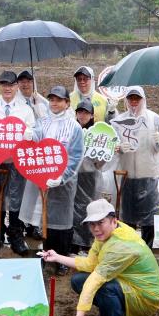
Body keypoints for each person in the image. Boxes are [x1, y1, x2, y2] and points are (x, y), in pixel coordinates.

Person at [41, 199, 159, 316]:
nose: (96, 229)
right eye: (92, 224)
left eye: (101, 223)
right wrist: (57, 257)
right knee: (78, 280)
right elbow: (90, 264)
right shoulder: (107, 234)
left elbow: (94, 281)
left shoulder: (121, 246)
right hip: (129, 285)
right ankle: (121, 314)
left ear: (114, 220)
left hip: (147, 298)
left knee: (104, 288)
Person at [19, 86, 84, 273]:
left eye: (59, 100)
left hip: (64, 183)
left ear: (67, 103)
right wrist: (31, 135)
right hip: (43, 181)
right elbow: (38, 137)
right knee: (45, 219)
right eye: (52, 100)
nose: (54, 103)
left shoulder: (74, 127)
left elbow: (76, 156)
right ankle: (47, 254)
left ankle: (62, 258)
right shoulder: (43, 121)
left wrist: (62, 177)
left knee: (62, 222)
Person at [0, 71, 35, 255]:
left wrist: (29, 135)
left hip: (16, 161)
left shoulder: (25, 110)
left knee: (16, 196)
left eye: (11, 85)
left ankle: (15, 235)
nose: (7, 88)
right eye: (3, 84)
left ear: (16, 86)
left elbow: (33, 134)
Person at [114, 86, 159, 248]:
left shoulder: (154, 119)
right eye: (131, 98)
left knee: (149, 221)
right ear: (126, 100)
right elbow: (113, 146)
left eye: (137, 98)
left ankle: (147, 253)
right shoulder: (120, 121)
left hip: (149, 177)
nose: (133, 102)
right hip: (128, 177)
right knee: (128, 221)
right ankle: (130, 253)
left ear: (143, 100)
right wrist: (119, 147)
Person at [72, 98, 104, 251]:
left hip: (90, 176)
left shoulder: (97, 134)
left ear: (92, 116)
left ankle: (87, 244)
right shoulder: (71, 130)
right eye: (80, 112)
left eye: (86, 113)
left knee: (89, 209)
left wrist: (105, 156)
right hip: (72, 175)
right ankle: (73, 243)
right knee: (72, 209)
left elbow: (100, 163)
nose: (83, 115)